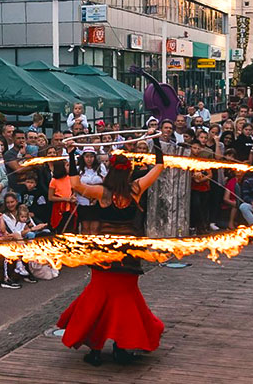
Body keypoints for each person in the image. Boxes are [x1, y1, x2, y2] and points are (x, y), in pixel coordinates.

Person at [61, 144, 166, 366]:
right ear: (128, 172)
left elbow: (75, 184)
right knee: (125, 303)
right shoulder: (136, 189)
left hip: (105, 255)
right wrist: (156, 147)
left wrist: (71, 155)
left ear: (110, 171)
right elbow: (158, 167)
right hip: (128, 256)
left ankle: (96, 350)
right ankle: (121, 347)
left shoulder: (101, 192)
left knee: (97, 301)